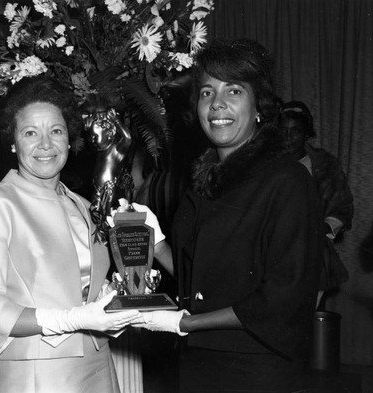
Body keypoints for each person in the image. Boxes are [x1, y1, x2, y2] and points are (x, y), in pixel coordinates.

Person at [133, 38, 324, 392]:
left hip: (257, 369)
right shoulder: (204, 183)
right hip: (198, 360)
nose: (217, 104)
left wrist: (186, 324)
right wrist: (155, 242)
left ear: (259, 108)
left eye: (233, 91)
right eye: (207, 92)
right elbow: (203, 279)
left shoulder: (287, 181)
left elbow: (282, 300)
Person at [0, 76, 149, 393]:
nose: (45, 144)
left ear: (69, 139)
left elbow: (89, 289)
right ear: (13, 141)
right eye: (31, 133)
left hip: (98, 368)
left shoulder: (84, 206)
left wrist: (124, 294)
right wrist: (70, 320)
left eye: (56, 131)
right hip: (36, 375)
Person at [278, 100, 353, 308]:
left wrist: (321, 231)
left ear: (306, 133)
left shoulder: (325, 165)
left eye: (295, 131)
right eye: (283, 130)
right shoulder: (268, 164)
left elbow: (341, 207)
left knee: (306, 313)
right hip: (275, 253)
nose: (289, 136)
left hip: (313, 253)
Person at [81, 94, 134, 244]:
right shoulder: (100, 152)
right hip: (99, 188)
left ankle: (107, 238)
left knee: (107, 215)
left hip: (109, 190)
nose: (92, 141)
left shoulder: (117, 150)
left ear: (110, 133)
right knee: (96, 214)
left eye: (95, 137)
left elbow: (128, 139)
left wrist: (117, 121)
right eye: (90, 137)